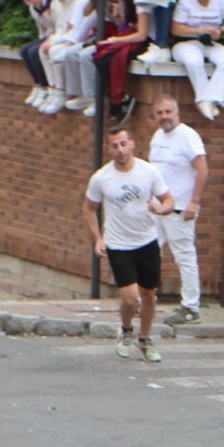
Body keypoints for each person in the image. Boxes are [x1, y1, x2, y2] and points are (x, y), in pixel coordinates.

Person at [84, 125, 175, 362]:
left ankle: (144, 339)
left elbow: (168, 200)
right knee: (129, 297)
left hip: (147, 241)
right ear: (109, 149)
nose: (120, 150)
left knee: (149, 295)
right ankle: (126, 330)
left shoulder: (149, 172)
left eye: (124, 144)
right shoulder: (101, 178)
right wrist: (98, 238)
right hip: (118, 243)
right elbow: (89, 208)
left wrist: (161, 208)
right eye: (115, 146)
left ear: (132, 144)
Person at [148, 96, 207, 325]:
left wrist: (195, 202)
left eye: (168, 112)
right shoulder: (157, 137)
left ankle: (191, 306)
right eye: (160, 113)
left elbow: (202, 168)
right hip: (157, 208)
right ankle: (146, 298)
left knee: (184, 256)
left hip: (180, 208)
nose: (164, 117)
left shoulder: (187, 136)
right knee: (149, 252)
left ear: (177, 112)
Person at [170, 0, 224, 120]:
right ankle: (205, 101)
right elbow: (175, 29)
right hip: (187, 43)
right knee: (194, 61)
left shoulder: (221, 0)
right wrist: (198, 31)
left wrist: (220, 31)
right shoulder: (186, 0)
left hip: (211, 42)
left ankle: (209, 98)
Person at [90, 0, 150, 120]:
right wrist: (117, 16)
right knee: (100, 56)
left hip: (144, 40)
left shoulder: (143, 3)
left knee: (112, 57)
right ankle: (113, 99)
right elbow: (125, 24)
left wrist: (117, 39)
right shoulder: (125, 0)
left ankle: (118, 100)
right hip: (129, 33)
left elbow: (141, 35)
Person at [48, 0, 102, 113]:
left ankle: (92, 96)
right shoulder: (84, 4)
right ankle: (62, 90)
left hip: (101, 38)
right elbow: (77, 26)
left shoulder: (84, 2)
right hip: (87, 38)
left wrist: (70, 41)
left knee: (84, 56)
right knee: (65, 53)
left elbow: (84, 28)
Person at [20, 0, 66, 112]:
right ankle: (38, 85)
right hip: (47, 35)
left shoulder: (53, 4)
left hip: (57, 35)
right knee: (24, 51)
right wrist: (42, 39)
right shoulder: (33, 8)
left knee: (35, 52)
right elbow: (41, 28)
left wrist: (49, 40)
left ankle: (46, 85)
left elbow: (60, 25)